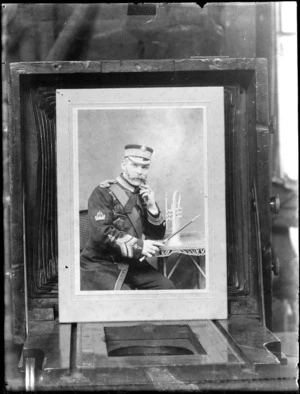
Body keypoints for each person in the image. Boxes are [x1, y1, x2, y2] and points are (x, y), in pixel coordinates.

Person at [80, 144, 175, 290]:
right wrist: (140, 246)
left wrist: (152, 207)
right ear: (124, 165)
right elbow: (101, 234)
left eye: (144, 167)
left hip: (130, 262)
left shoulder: (143, 194)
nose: (139, 171)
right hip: (101, 264)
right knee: (125, 299)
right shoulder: (102, 192)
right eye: (134, 165)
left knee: (166, 288)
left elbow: (156, 236)